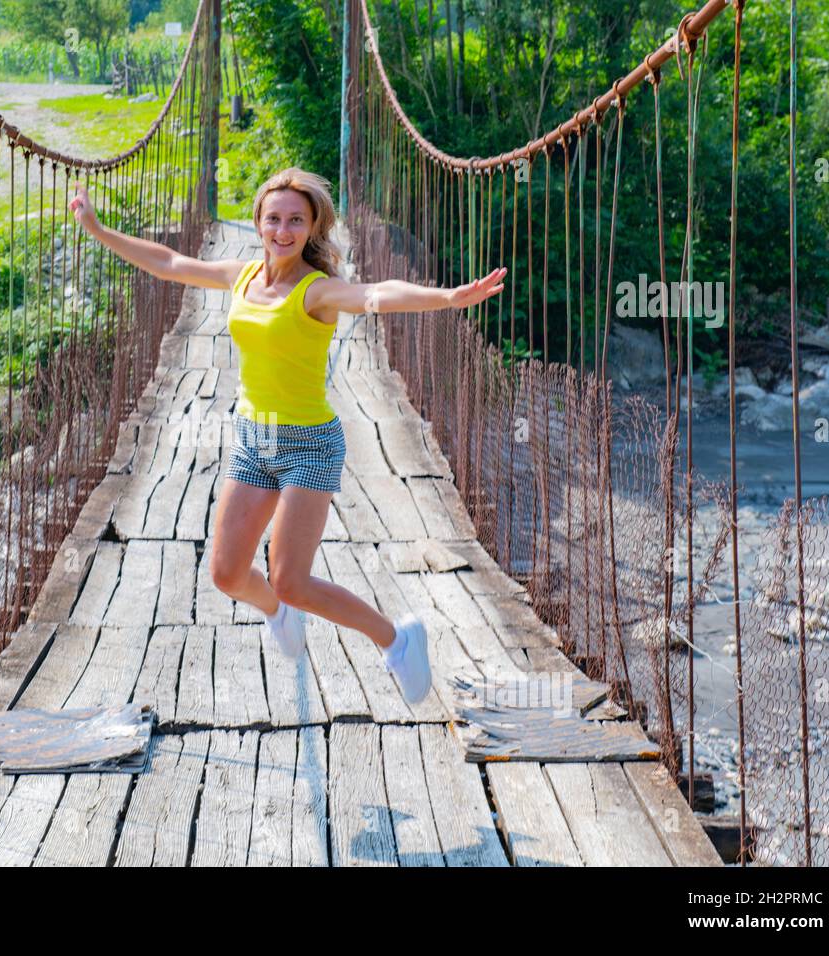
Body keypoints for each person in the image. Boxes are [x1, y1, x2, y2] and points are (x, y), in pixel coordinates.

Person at [69, 167, 505, 703]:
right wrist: (98, 230)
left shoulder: (316, 291)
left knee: (290, 579)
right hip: (255, 439)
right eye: (273, 218)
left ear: (312, 226)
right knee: (227, 574)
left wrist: (446, 299)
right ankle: (278, 613)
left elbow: (375, 293)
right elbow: (170, 263)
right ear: (257, 221)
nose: (282, 229)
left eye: (295, 220)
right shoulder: (243, 275)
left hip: (309, 446)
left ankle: (396, 639)